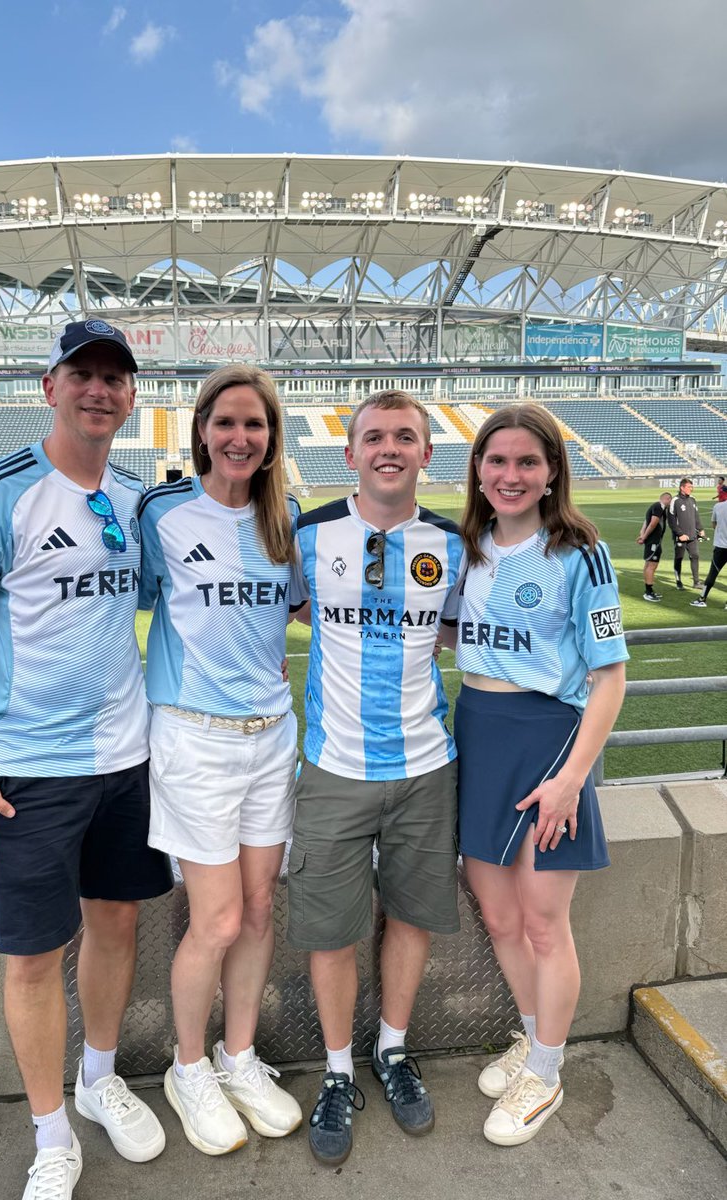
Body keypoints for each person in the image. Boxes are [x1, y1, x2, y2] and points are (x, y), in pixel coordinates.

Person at [0, 320, 173, 1200]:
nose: (100, 390)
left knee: (117, 924)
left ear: (132, 396)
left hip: (127, 758)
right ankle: (49, 1133)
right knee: (33, 957)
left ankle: (99, 1081)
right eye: (84, 374)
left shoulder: (137, 499)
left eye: (116, 377)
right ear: (50, 386)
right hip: (28, 768)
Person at [289, 390, 463, 1167]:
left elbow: (462, 632)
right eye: (374, 437)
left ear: (428, 453)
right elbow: (296, 612)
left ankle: (392, 1050)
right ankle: (335, 1072)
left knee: (412, 916)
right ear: (349, 452)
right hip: (334, 768)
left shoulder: (457, 545)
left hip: (428, 767)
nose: (389, 448)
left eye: (406, 437)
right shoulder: (308, 535)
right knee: (330, 928)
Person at [138, 365, 303, 1156]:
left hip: (271, 736)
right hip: (193, 739)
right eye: (227, 422)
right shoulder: (161, 513)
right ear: (201, 429)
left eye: (257, 425)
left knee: (262, 909)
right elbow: (115, 602)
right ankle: (188, 1066)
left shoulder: (287, 520)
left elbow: (307, 611)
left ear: (273, 439)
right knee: (219, 918)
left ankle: (239, 1058)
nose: (241, 438)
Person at [454, 402, 628, 1147]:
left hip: (549, 743)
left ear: (553, 470)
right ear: (479, 471)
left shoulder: (579, 552)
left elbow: (612, 677)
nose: (511, 474)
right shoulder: (464, 544)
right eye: (498, 461)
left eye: (528, 461)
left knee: (543, 923)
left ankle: (549, 1075)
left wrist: (570, 780)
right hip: (477, 734)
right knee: (498, 917)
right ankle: (533, 1039)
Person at [690, 490, 727, 608]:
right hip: (721, 545)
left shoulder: (718, 506)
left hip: (721, 546)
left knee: (713, 573)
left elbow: (714, 524)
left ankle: (702, 599)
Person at [668, 478, 706, 589]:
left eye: (692, 487)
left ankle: (696, 582)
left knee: (695, 556)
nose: (691, 489)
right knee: (679, 558)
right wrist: (680, 534)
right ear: (682, 488)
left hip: (693, 536)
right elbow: (671, 521)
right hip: (680, 537)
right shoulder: (675, 501)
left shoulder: (693, 499)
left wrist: (701, 529)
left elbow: (696, 516)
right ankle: (678, 582)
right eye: (689, 487)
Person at [636, 491, 671, 601]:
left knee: (648, 565)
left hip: (652, 541)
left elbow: (645, 522)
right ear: (668, 499)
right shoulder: (659, 506)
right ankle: (649, 592)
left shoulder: (655, 507)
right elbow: (653, 523)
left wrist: (642, 536)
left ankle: (649, 590)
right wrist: (644, 537)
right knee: (652, 566)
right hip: (653, 542)